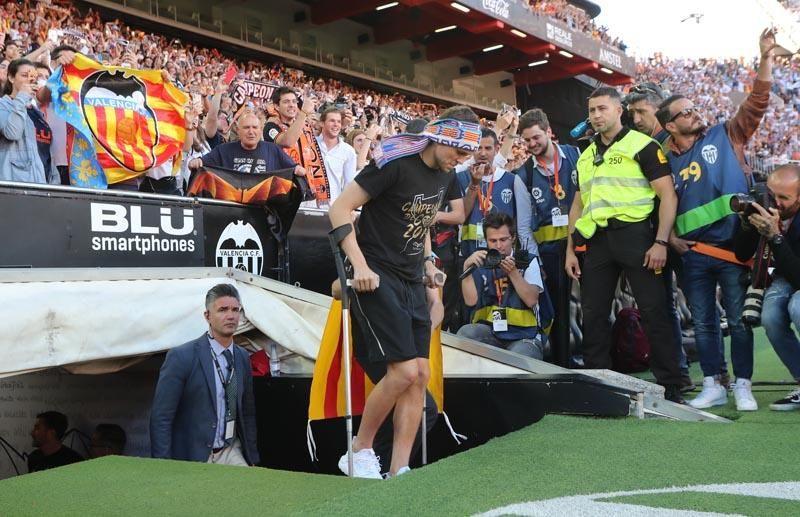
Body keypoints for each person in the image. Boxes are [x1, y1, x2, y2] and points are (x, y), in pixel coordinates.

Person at [328, 106, 480, 478]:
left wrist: (429, 268)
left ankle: (399, 469)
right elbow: (339, 209)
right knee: (403, 372)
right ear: (442, 135)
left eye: (465, 156)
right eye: (457, 152)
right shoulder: (394, 162)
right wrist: (359, 266)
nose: (459, 161)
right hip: (377, 273)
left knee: (421, 375)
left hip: (413, 278)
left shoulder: (446, 174)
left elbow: (422, 222)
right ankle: (359, 450)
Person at [657, 29, 776, 411]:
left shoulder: (726, 134)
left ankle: (742, 384)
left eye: (694, 108)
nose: (695, 113)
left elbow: (757, 102)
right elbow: (659, 204)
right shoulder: (663, 160)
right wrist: (671, 236)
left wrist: (765, 59)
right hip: (692, 254)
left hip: (732, 250)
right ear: (671, 126)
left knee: (740, 321)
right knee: (706, 323)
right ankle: (713, 383)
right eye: (686, 112)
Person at [564, 87, 685, 404]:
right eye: (592, 111)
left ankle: (672, 384)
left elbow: (668, 195)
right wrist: (570, 250)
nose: (596, 115)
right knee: (593, 314)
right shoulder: (586, 155)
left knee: (654, 310)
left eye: (602, 108)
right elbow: (577, 206)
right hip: (598, 241)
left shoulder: (642, 145)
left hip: (637, 236)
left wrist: (660, 241)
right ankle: (598, 384)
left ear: (620, 111)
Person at [625, 84, 697, 391]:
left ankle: (715, 378)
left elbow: (679, 194)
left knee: (697, 306)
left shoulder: (674, 144)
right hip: (652, 240)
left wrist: (671, 235)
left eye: (642, 111)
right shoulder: (636, 145)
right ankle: (676, 376)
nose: (637, 118)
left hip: (676, 239)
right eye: (632, 114)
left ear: (660, 110)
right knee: (660, 310)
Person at [150, 284, 260, 466]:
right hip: (196, 455)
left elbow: (247, 413)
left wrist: (253, 457)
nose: (231, 316)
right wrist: (162, 465)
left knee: (250, 490)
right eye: (223, 310)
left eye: (235, 310)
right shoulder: (182, 356)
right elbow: (161, 416)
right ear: (207, 316)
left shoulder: (241, 357)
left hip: (231, 449)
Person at [515, 108, 580, 366]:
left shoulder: (577, 156)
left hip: (584, 244)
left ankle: (603, 362)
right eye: (527, 140)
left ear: (549, 131)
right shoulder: (523, 175)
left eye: (535, 138)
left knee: (594, 306)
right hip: (550, 253)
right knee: (561, 312)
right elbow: (523, 228)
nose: (531, 145)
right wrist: (536, 262)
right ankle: (565, 364)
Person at [734, 164, 800, 411]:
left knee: (797, 306)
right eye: (773, 194)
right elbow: (741, 253)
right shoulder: (761, 206)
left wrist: (776, 236)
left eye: (785, 197)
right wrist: (747, 226)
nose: (776, 202)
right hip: (785, 274)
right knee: (770, 316)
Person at [458, 212, 546, 359]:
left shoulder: (527, 261)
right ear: (486, 241)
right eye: (493, 241)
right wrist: (467, 268)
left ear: (513, 238)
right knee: (465, 334)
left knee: (518, 358)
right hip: (491, 333)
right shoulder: (481, 261)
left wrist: (513, 273)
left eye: (503, 239)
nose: (498, 246)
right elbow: (470, 301)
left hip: (523, 335)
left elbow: (532, 299)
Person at [457, 127, 533, 259]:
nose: (482, 153)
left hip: (503, 256)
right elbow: (460, 216)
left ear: (497, 150)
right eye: (478, 148)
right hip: (470, 254)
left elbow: (523, 223)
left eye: (488, 148)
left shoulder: (512, 180)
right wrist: (474, 184)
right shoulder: (461, 178)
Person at [263, 87, 329, 205]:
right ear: (276, 106)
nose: (292, 105)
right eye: (286, 102)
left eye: (294, 101)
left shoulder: (305, 127)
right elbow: (288, 141)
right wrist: (303, 113)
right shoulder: (270, 126)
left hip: (307, 189)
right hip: (283, 191)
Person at [189, 112, 305, 177]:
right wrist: (196, 162)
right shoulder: (224, 150)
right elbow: (200, 163)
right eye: (246, 128)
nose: (251, 131)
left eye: (255, 127)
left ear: (260, 131)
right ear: (238, 131)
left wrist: (298, 170)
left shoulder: (273, 150)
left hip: (261, 211)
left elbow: (293, 168)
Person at [0, 58, 49, 184]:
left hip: (38, 183)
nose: (30, 79)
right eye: (24, 75)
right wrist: (22, 97)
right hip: (11, 183)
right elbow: (13, 133)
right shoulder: (2, 105)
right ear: (11, 78)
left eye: (33, 76)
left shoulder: (35, 111)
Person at [317, 107, 357, 205]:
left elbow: (348, 184)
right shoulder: (309, 144)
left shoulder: (348, 151)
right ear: (322, 123)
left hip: (333, 207)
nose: (336, 125)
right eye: (332, 121)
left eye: (339, 122)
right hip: (306, 205)